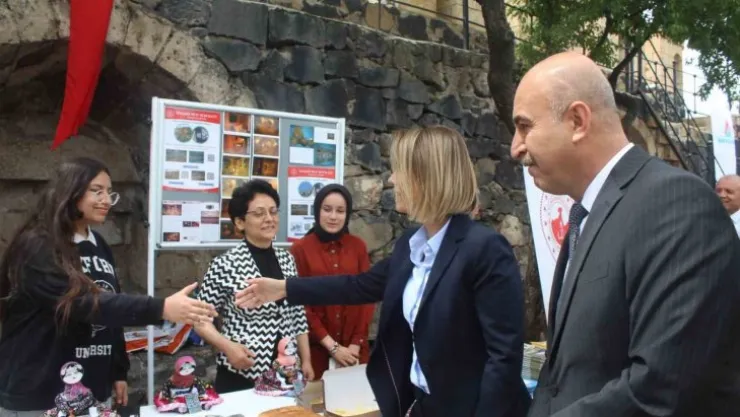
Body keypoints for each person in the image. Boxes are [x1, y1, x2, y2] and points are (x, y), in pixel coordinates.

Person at [237, 126, 531, 417]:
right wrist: (284, 288)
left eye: (399, 170)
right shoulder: (411, 245)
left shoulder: (485, 249)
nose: (392, 179)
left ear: (426, 176)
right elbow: (359, 286)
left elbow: (503, 358)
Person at [510, 52, 740, 416]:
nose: (515, 148)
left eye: (524, 126)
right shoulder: (585, 215)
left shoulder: (677, 205)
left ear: (577, 121)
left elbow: (662, 388)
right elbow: (560, 377)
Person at [0, 157, 217, 415]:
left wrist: (117, 370)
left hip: (91, 387)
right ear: (70, 191)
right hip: (40, 389)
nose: (107, 200)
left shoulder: (99, 244)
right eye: (97, 190)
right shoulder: (38, 245)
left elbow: (112, 307)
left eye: (109, 192)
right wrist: (161, 308)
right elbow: (78, 303)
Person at [193, 179, 313, 394]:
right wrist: (228, 348)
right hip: (242, 369)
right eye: (259, 213)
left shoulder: (287, 260)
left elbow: (297, 314)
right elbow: (200, 319)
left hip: (286, 371)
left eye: (273, 212)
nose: (269, 219)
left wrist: (306, 360)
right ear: (240, 222)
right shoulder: (225, 264)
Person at [290, 184, 375, 379]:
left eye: (340, 211)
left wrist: (356, 343)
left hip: (354, 351)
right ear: (317, 211)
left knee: (358, 397)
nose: (333, 217)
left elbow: (367, 295)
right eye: (327, 209)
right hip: (317, 349)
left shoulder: (358, 247)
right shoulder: (300, 249)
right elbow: (301, 303)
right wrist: (332, 346)